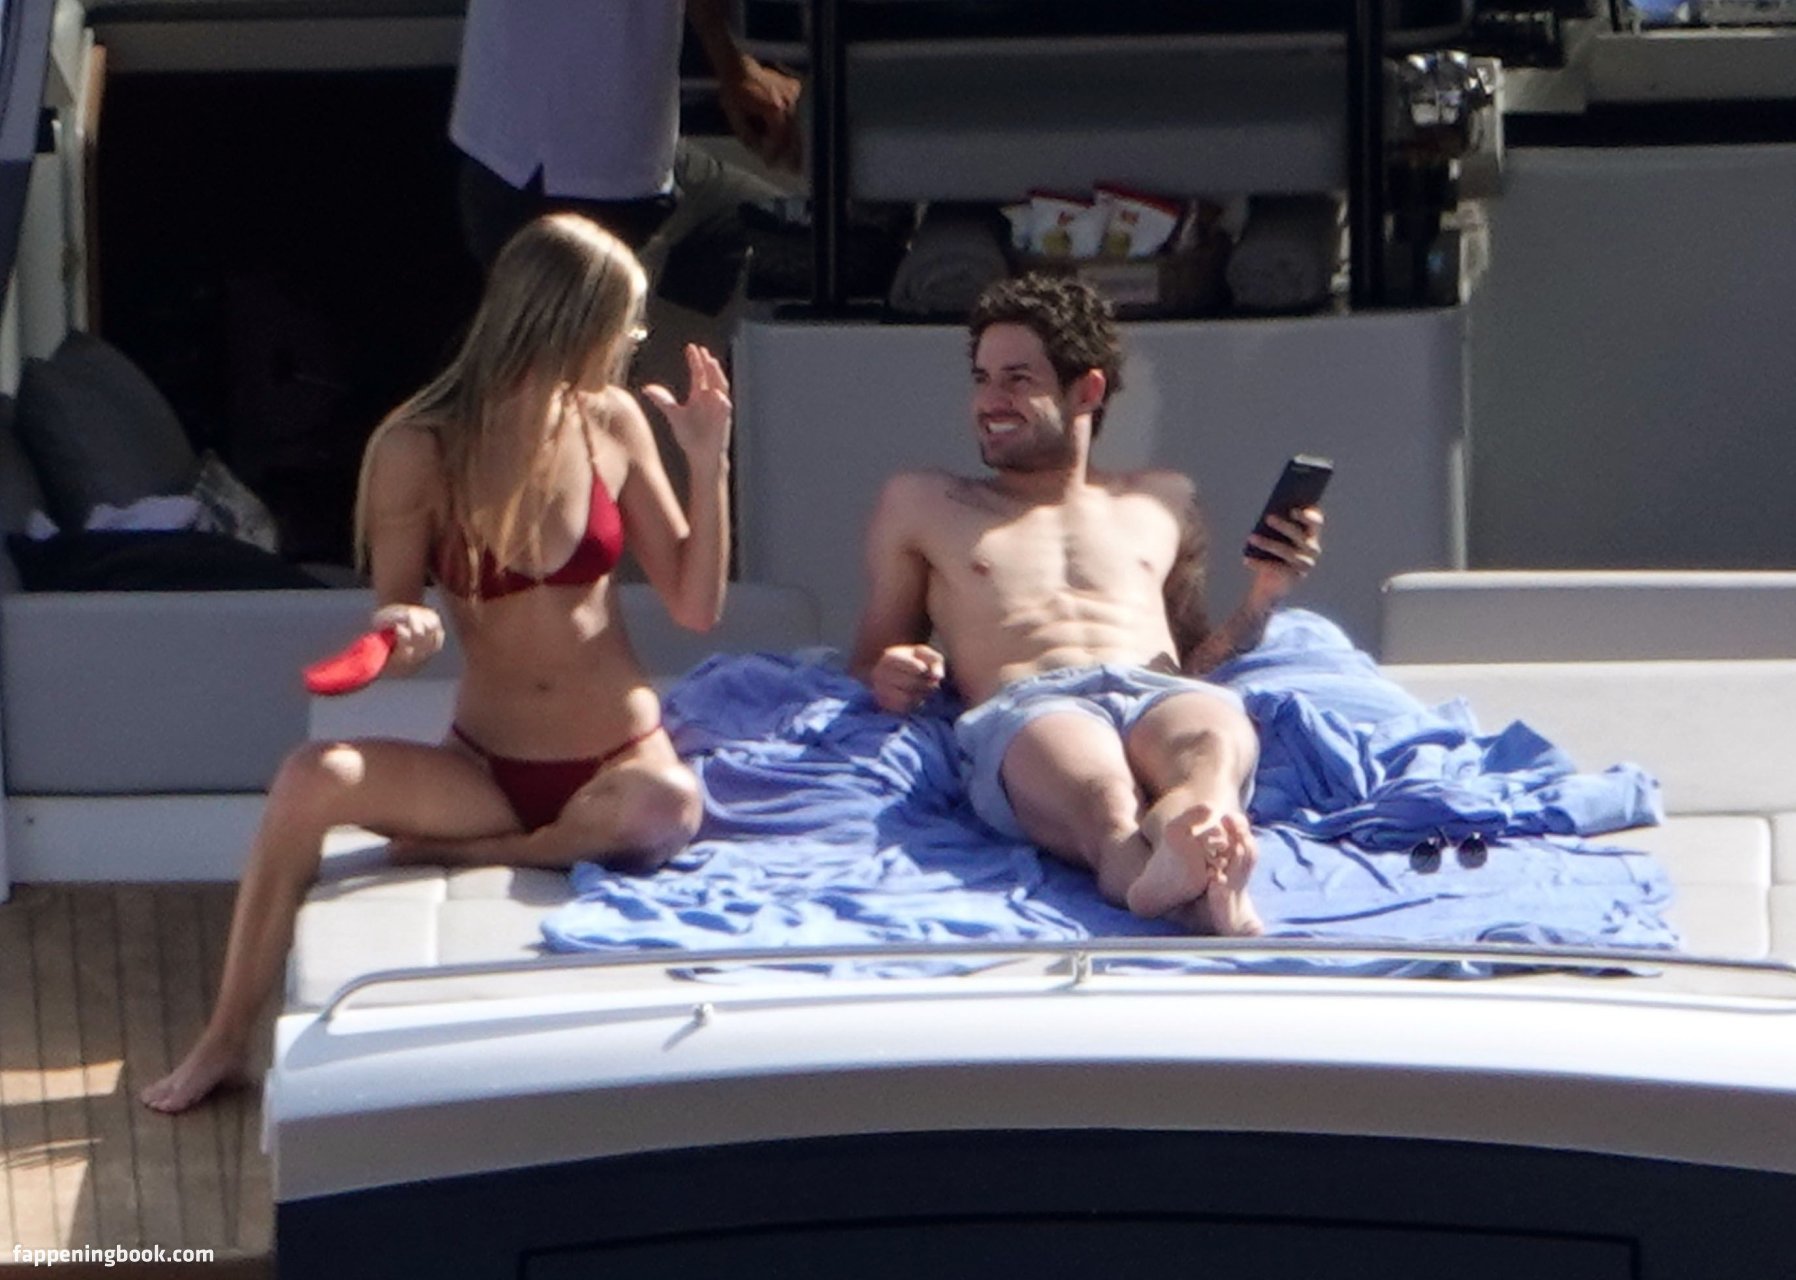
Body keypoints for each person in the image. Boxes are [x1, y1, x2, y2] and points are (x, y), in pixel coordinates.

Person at [142, 214, 733, 1113]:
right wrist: (402, 628)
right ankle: (224, 1038)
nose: (635, 339)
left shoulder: (612, 424)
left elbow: (696, 604)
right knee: (311, 777)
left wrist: (709, 463)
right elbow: (397, 606)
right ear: (569, 322)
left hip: (618, 763)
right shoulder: (419, 447)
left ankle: (478, 854)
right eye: (628, 321)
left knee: (669, 802)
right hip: (486, 770)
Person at [849, 274, 1324, 938]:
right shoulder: (925, 502)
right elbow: (871, 658)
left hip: (1159, 691)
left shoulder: (1165, 500)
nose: (990, 401)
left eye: (1017, 380)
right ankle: (1178, 888)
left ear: (1087, 390)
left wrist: (1264, 597)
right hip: (1034, 704)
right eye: (982, 379)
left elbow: (1196, 659)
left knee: (1210, 743)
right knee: (1103, 794)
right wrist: (893, 672)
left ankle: (1201, 864)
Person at [451, 0, 800, 319]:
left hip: (543, 157)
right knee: (801, 259)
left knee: (800, 256)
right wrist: (734, 70)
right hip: (574, 180)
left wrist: (735, 71)